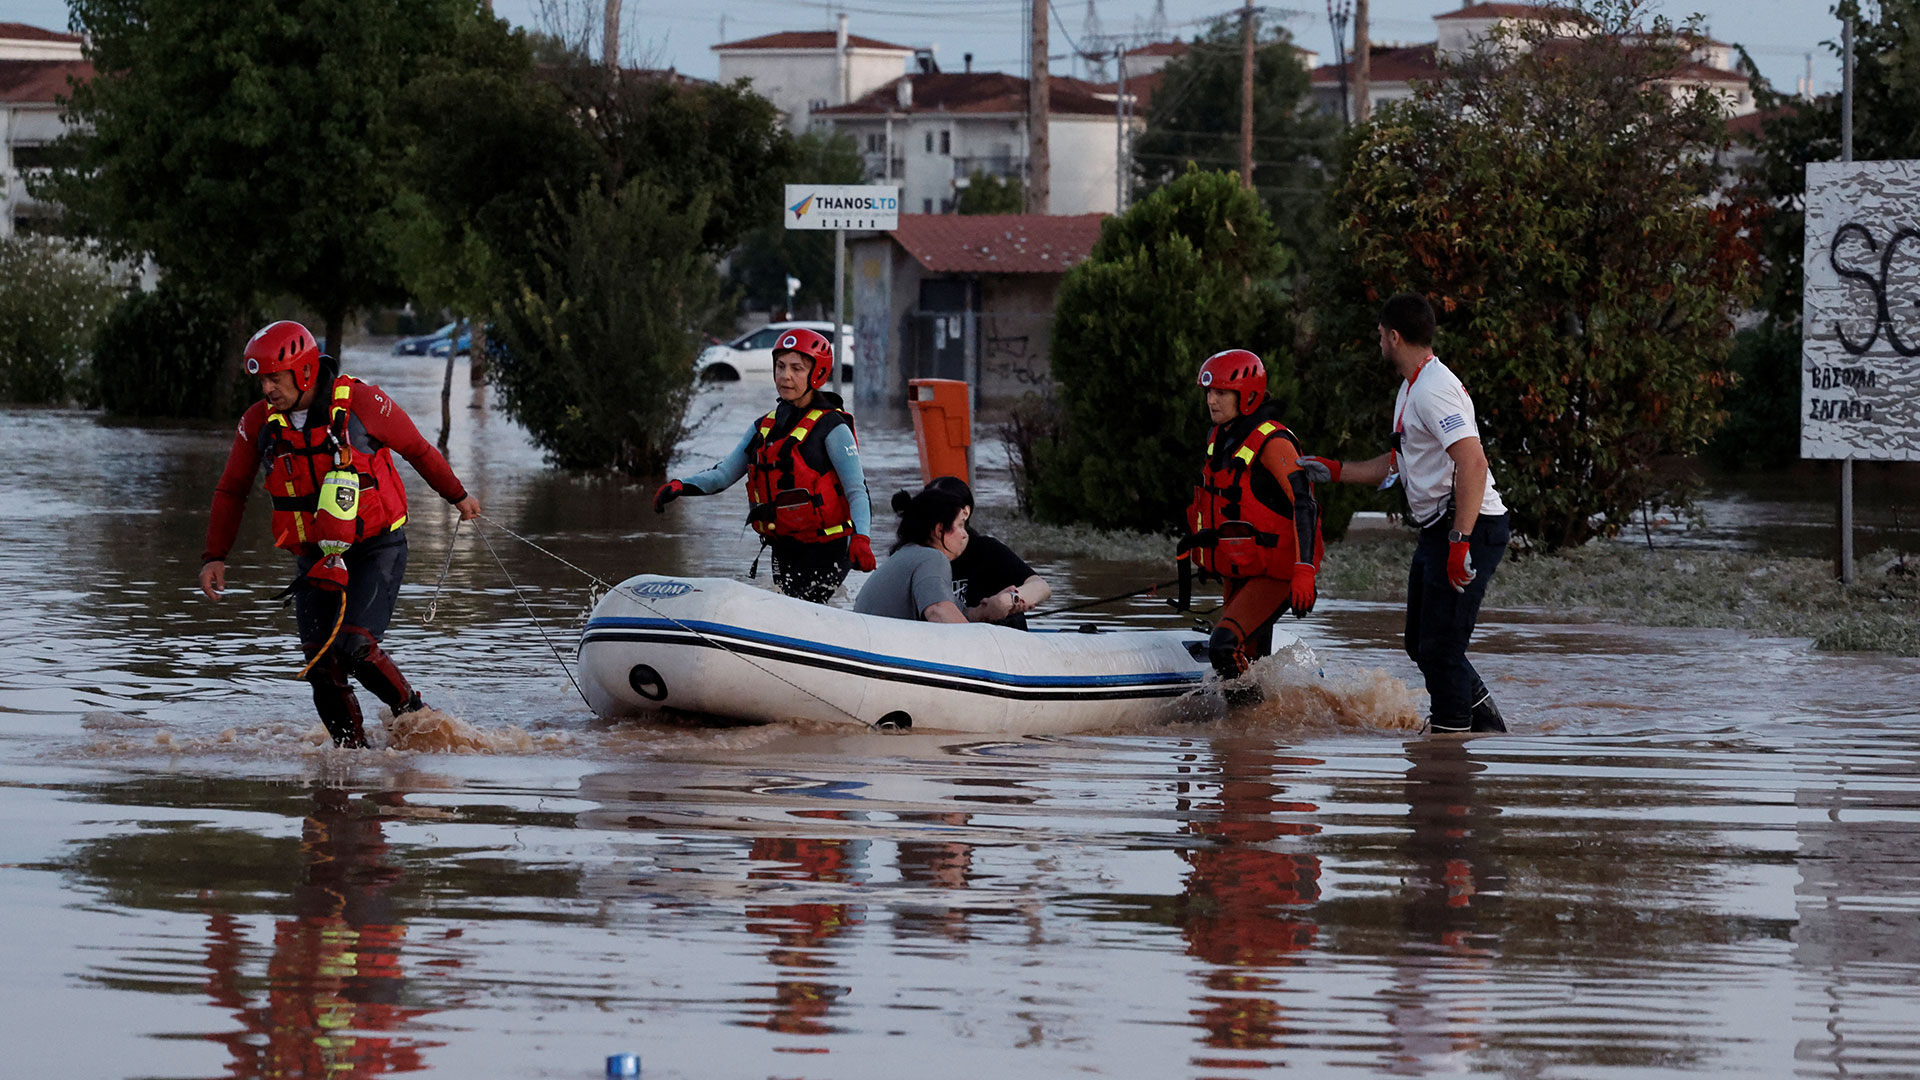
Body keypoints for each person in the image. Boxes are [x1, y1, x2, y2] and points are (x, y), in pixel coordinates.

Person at [199, 320, 482, 748]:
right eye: (262, 380)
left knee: (356, 649)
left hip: (375, 548)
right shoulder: (259, 423)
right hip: (316, 556)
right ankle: (352, 762)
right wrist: (214, 555)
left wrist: (458, 496)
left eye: (275, 378)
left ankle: (418, 720)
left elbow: (418, 449)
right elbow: (231, 490)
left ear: (306, 371)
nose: (267, 389)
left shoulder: (362, 403)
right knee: (320, 666)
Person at [1300, 293, 1510, 734]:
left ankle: (1448, 750)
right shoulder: (1411, 387)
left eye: (1379, 336)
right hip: (1441, 529)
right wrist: (1334, 472)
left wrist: (1460, 541)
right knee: (1419, 643)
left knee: (1441, 650)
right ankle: (1485, 723)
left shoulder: (1434, 390)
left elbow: (1473, 462)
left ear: (1394, 337)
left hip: (1470, 527)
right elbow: (1397, 463)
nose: (1379, 343)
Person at [654, 328, 874, 603]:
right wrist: (680, 486)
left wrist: (861, 539)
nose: (785, 376)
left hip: (828, 548)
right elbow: (723, 475)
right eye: (780, 366)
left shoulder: (832, 427)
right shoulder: (764, 427)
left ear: (816, 374)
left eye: (797, 368)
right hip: (784, 547)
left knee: (806, 607)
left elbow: (857, 490)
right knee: (788, 605)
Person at [1176, 349, 1323, 706]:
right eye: (1209, 392)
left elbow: (1304, 504)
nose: (1212, 399)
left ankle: (1254, 724)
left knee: (1224, 646)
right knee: (1248, 661)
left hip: (1277, 573)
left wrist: (1304, 570)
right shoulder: (1220, 438)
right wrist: (1206, 555)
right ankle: (1254, 747)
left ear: (1249, 395)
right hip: (1242, 571)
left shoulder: (1273, 442)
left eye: (1222, 393)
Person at [853, 486, 1023, 624]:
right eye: (960, 525)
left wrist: (990, 607)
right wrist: (983, 646)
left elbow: (961, 614)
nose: (965, 535)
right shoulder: (932, 558)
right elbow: (938, 611)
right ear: (940, 529)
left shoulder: (905, 555)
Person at [919, 475, 1052, 628]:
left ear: (964, 514)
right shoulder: (919, 555)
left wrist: (1010, 599)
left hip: (997, 640)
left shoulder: (986, 550)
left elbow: (1041, 587)